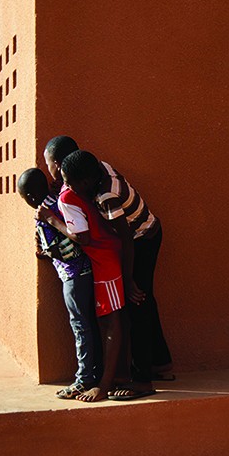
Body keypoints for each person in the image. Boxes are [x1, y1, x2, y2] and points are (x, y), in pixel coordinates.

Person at [43, 136, 173, 399]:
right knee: (145, 301)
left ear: (85, 180)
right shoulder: (95, 168)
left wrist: (127, 281)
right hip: (135, 238)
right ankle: (162, 363)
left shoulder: (105, 195)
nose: (65, 185)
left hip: (142, 238)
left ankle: (143, 380)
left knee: (137, 304)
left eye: (69, 182)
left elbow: (126, 239)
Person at [39, 150, 131, 402]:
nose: (66, 185)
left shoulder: (68, 197)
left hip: (106, 263)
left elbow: (84, 237)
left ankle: (108, 382)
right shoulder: (74, 192)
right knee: (106, 322)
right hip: (101, 262)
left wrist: (51, 219)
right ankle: (114, 377)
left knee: (112, 323)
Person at [18, 167, 101, 400]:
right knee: (90, 324)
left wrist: (46, 251)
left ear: (31, 198)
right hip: (88, 270)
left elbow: (64, 250)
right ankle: (94, 373)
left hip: (73, 275)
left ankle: (84, 379)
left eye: (24, 199)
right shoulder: (59, 199)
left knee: (80, 327)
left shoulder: (44, 213)